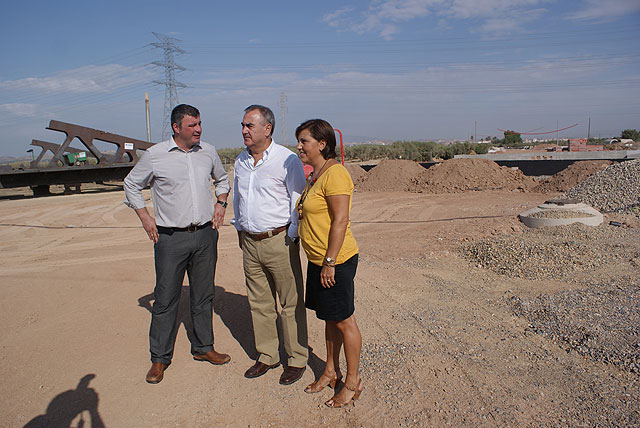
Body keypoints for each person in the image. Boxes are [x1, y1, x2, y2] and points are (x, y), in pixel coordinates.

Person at [124, 104, 231, 384]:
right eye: (192, 125)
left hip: (206, 235)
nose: (198, 130)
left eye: (199, 124)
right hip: (170, 239)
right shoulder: (155, 156)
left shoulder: (207, 151)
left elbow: (222, 179)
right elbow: (131, 184)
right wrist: (145, 217)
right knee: (165, 299)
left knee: (203, 295)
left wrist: (221, 203)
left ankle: (204, 348)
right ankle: (159, 358)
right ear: (176, 127)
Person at [232, 105, 309, 385]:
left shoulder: (286, 159)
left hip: (279, 240)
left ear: (267, 129)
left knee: (290, 303)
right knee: (260, 302)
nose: (244, 131)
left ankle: (296, 358)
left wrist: (292, 234)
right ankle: (267, 355)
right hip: (250, 243)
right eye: (242, 125)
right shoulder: (240, 161)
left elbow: (297, 199)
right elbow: (238, 198)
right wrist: (239, 228)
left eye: (249, 126)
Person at [295, 119, 363, 407]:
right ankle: (330, 371)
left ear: (322, 144)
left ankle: (353, 382)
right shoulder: (317, 173)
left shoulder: (335, 174)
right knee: (329, 318)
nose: (299, 146)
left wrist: (330, 263)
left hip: (336, 260)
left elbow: (341, 219)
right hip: (318, 259)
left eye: (304, 141)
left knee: (344, 320)